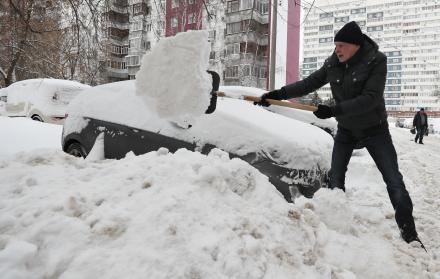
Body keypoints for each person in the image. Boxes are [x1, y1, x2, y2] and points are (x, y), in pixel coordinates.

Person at [256, 21, 420, 245]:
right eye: (336, 46)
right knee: (336, 178)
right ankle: (336, 226)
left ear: (355, 46)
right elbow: (309, 83)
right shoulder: (333, 64)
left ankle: (409, 233)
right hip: (347, 130)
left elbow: (371, 98)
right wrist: (277, 93)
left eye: (341, 45)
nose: (337, 50)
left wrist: (333, 110)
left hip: (375, 129)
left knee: (393, 180)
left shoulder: (376, 61)